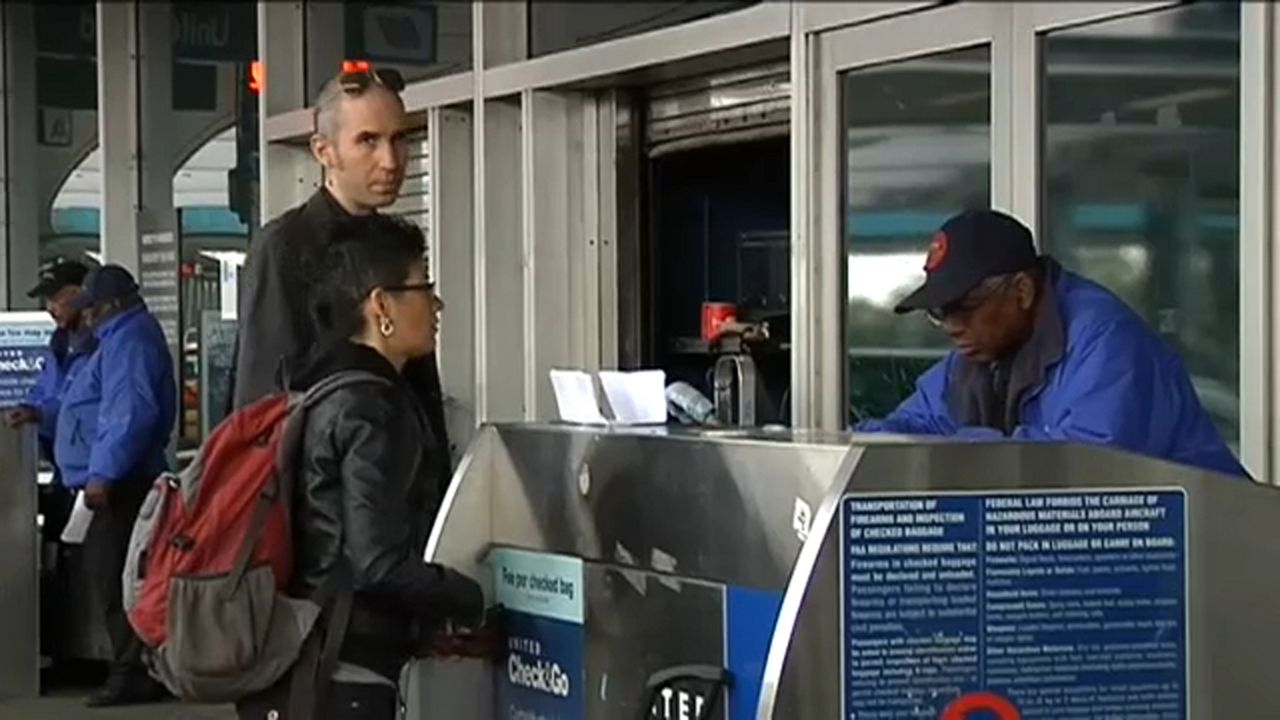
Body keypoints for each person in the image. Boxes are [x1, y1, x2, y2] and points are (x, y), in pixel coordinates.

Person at [236, 215, 483, 720]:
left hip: (309, 647)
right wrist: (469, 595)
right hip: (348, 662)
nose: (436, 305)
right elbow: (376, 561)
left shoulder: (319, 387)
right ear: (381, 305)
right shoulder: (371, 407)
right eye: (423, 287)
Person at [854, 209, 1246, 478]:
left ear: (1022, 290)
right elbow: (920, 423)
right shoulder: (982, 349)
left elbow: (1086, 465)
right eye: (940, 312)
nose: (952, 327)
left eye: (963, 306)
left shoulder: (1104, 341)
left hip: (1217, 549)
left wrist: (951, 449)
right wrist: (858, 445)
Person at [230, 65, 452, 474]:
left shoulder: (396, 240)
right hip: (324, 506)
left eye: (399, 139)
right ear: (323, 151)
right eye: (367, 141)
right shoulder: (284, 247)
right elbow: (260, 410)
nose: (390, 160)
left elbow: (422, 384)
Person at [55, 264, 176, 706]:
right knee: (113, 578)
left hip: (123, 483)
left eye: (91, 309)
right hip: (116, 478)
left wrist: (103, 473)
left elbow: (128, 414)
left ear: (110, 306)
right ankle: (133, 669)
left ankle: (133, 674)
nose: (85, 318)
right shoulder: (115, 341)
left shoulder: (130, 341)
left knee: (117, 581)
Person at [3, 260, 93, 464]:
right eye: (47, 301)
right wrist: (24, 409)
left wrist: (38, 414)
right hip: (62, 461)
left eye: (55, 299)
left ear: (79, 294)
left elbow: (85, 407)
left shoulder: (98, 346)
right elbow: (43, 389)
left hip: (90, 466)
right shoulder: (59, 342)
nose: (50, 309)